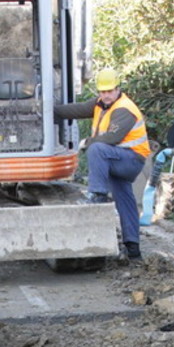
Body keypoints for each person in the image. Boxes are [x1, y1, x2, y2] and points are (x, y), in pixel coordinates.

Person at [54, 68, 150, 260]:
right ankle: (133, 248)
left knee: (97, 149)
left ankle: (97, 194)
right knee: (125, 198)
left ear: (117, 89)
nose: (106, 95)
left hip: (131, 160)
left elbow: (113, 138)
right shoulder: (100, 104)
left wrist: (86, 143)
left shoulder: (124, 109)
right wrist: (50, 111)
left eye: (109, 91)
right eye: (102, 91)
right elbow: (77, 109)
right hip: (117, 158)